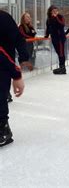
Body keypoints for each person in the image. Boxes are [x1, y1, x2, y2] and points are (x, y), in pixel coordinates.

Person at [0, 10, 31, 147]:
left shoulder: (3, 18)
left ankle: (3, 129)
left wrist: (19, 68)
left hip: (4, 68)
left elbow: (19, 39)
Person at [45, 5, 67, 74]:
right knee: (58, 52)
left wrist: (56, 17)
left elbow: (62, 25)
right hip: (54, 38)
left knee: (61, 52)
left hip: (60, 37)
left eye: (56, 11)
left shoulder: (60, 17)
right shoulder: (49, 19)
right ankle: (62, 67)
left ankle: (62, 67)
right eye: (53, 11)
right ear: (50, 12)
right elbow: (48, 28)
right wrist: (46, 35)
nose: (55, 12)